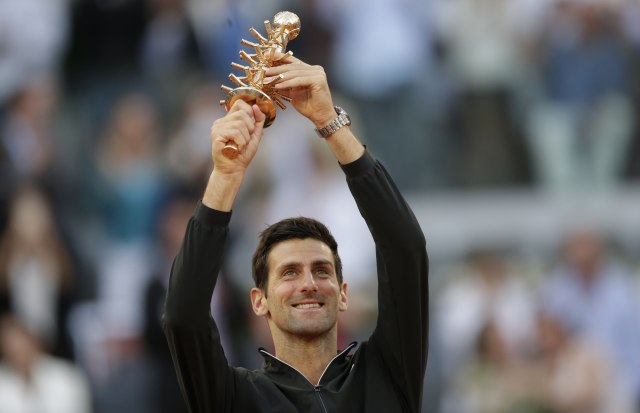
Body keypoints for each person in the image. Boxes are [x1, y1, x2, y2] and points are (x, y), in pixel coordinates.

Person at [162, 53, 429, 412]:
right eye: (289, 272)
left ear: (343, 294)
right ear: (259, 301)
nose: (309, 283)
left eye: (322, 270)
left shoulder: (386, 375)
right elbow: (183, 315)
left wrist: (330, 123)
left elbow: (405, 248)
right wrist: (226, 175)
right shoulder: (235, 398)